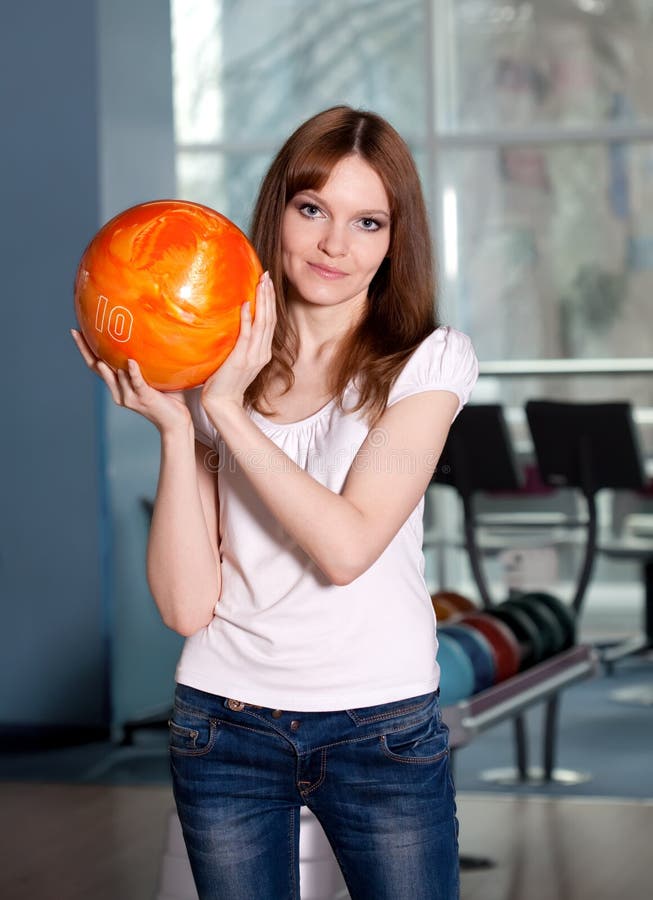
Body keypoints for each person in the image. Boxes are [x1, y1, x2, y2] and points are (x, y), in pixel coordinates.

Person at [72, 105, 478, 900]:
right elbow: (187, 608)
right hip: (225, 724)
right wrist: (175, 427)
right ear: (277, 213)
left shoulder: (426, 362)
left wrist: (226, 413)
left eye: (367, 222)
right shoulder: (210, 362)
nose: (335, 245)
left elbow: (346, 548)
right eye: (312, 209)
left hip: (379, 725)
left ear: (395, 240)